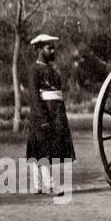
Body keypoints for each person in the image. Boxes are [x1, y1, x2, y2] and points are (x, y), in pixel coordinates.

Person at [26, 34, 75, 196]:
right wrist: (43, 118)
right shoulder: (34, 70)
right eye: (49, 47)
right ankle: (49, 185)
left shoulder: (53, 71)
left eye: (53, 47)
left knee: (40, 149)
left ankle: (37, 185)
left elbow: (57, 96)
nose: (53, 50)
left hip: (54, 115)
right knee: (41, 149)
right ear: (39, 49)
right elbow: (34, 97)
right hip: (41, 116)